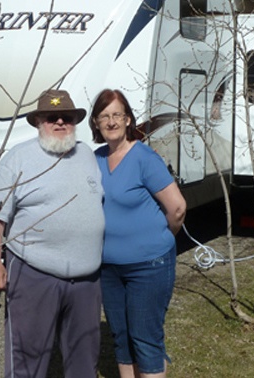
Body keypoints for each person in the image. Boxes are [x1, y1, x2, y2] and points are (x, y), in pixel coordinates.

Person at [0, 89, 104, 378]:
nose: (60, 122)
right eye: (51, 117)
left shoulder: (86, 154)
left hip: (86, 282)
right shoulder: (18, 159)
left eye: (67, 117)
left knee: (84, 363)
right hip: (34, 275)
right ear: (38, 122)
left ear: (75, 121)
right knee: (27, 363)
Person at [89, 89, 186, 378]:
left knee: (145, 338)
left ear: (128, 119)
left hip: (149, 265)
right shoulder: (95, 159)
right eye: (104, 116)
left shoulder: (144, 157)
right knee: (121, 338)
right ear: (95, 123)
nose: (111, 121)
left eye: (117, 114)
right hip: (108, 268)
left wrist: (160, 237)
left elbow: (177, 208)